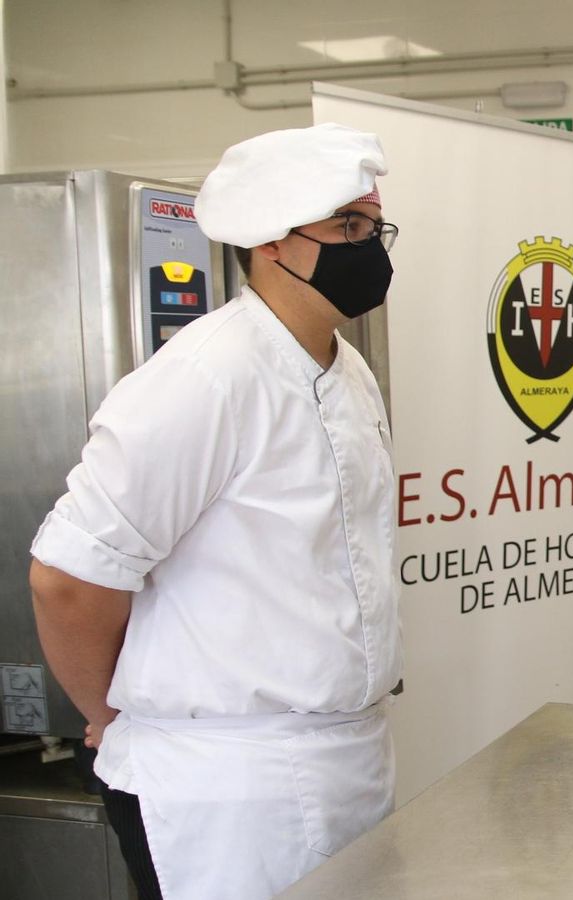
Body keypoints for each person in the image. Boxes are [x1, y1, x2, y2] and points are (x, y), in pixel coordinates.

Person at [28, 123, 403, 900]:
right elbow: (68, 578)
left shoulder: (349, 368)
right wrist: (107, 712)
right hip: (226, 785)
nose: (370, 246)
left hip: (349, 755)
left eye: (374, 226)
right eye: (348, 228)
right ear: (271, 242)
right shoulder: (204, 378)